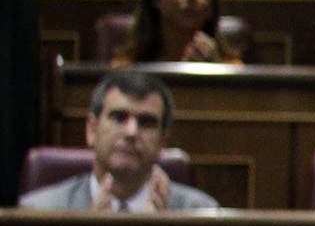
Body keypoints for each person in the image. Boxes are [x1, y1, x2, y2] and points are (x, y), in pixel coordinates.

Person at [27, 68, 218, 212]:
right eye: (119, 117)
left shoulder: (200, 213)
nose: (131, 132)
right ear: (92, 130)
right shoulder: (39, 211)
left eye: (146, 122)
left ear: (163, 141)